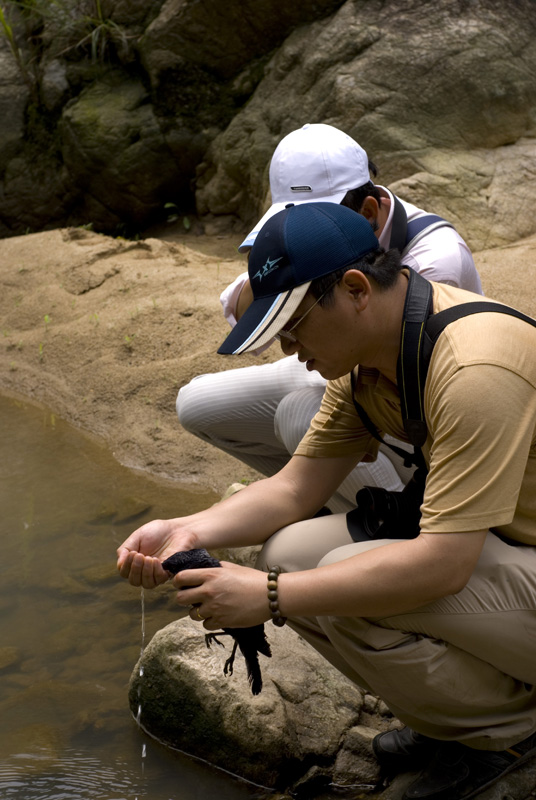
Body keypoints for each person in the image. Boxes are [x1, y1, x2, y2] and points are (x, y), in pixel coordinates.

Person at [118, 202, 536, 800]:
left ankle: (505, 732)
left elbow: (446, 563)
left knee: (327, 578)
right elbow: (297, 487)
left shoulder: (473, 364)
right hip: (511, 553)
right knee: (289, 550)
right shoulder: (370, 361)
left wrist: (265, 597)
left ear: (356, 289)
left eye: (293, 327)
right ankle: (453, 718)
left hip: (497, 557)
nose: (289, 349)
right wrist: (187, 529)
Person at [177, 123, 483, 512]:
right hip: (345, 353)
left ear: (369, 211)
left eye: (317, 219)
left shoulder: (436, 260)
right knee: (196, 404)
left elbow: (379, 371)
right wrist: (273, 253)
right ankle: (315, 505)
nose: (307, 231)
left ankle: (395, 521)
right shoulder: (331, 226)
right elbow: (240, 308)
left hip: (415, 395)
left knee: (299, 417)